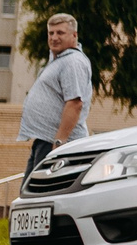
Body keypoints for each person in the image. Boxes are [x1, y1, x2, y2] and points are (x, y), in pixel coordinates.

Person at [18, 13, 94, 175]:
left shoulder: (73, 62)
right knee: (31, 193)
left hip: (57, 143)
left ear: (74, 36)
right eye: (51, 33)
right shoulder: (60, 60)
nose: (54, 37)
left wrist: (59, 144)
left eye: (60, 33)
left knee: (41, 194)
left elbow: (75, 103)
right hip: (45, 140)